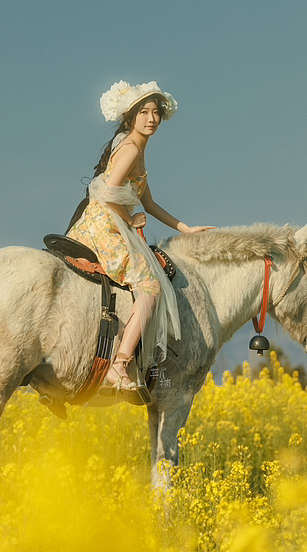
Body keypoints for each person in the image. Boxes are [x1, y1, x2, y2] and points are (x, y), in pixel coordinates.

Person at [67, 81, 212, 398]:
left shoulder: (136, 152)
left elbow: (149, 204)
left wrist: (185, 228)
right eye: (144, 112)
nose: (152, 118)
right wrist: (129, 219)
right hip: (105, 224)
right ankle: (119, 365)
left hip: (108, 221)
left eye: (156, 112)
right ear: (129, 118)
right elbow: (107, 194)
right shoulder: (131, 149)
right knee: (150, 288)